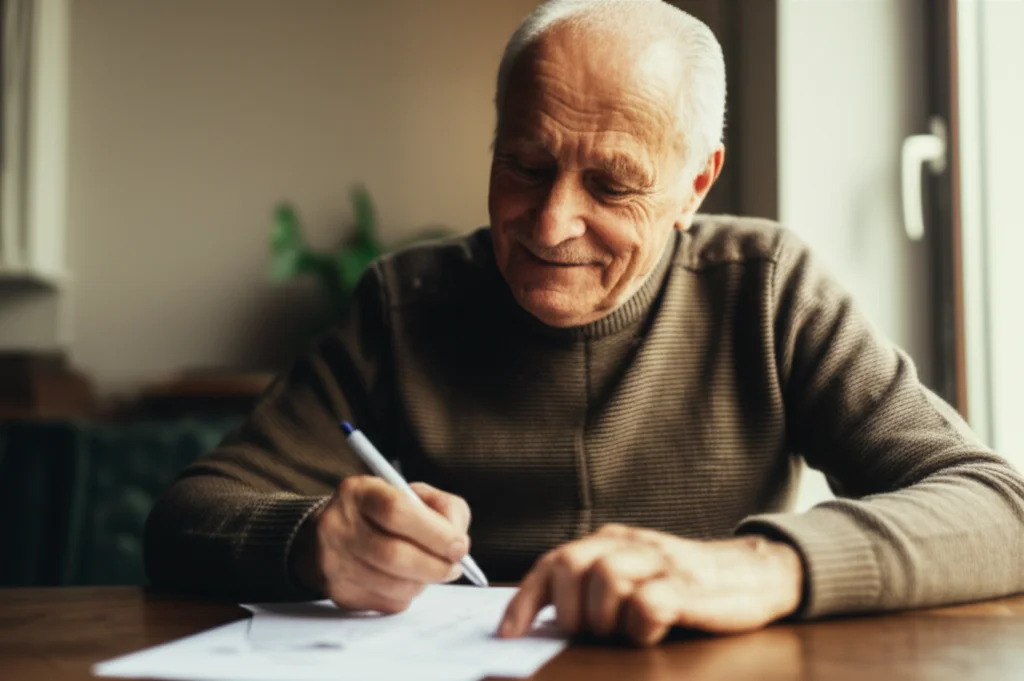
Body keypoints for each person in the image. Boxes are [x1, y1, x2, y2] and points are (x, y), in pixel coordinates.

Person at [144, 0, 1024, 646]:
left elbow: (999, 510)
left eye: (612, 184)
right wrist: (309, 542)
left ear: (697, 184)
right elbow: (186, 515)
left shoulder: (766, 288)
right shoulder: (404, 304)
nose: (549, 222)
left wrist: (760, 565)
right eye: (524, 165)